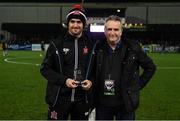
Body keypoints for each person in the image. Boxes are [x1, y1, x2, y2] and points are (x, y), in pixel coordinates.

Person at [93, 15, 156, 120]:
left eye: (116, 29)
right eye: (109, 29)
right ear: (104, 31)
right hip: (102, 104)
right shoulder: (97, 47)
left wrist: (137, 86)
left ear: (121, 32)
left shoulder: (133, 47)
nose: (112, 33)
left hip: (125, 104)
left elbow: (150, 67)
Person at [40, 4, 96, 120]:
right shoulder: (56, 44)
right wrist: (64, 80)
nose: (75, 25)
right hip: (59, 98)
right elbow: (45, 69)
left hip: (82, 99)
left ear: (83, 24)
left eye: (79, 22)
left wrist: (91, 82)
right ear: (68, 23)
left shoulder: (92, 45)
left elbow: (97, 70)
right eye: (72, 22)